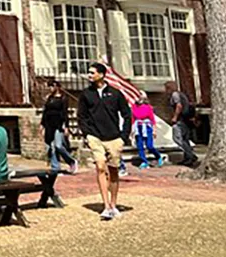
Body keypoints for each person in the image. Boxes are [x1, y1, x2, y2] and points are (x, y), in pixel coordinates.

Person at [78, 62, 132, 221]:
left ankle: (113, 204)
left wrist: (124, 136)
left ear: (101, 75)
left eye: (92, 73)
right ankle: (106, 205)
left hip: (114, 137)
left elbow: (127, 115)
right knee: (100, 167)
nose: (89, 75)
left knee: (113, 171)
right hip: (95, 137)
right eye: (89, 73)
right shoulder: (86, 94)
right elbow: (82, 116)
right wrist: (87, 134)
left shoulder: (115, 94)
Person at [39, 80, 78, 174]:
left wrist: (66, 126)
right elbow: (45, 112)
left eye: (52, 86)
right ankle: (55, 167)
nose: (50, 89)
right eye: (49, 87)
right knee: (50, 147)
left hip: (58, 124)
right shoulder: (49, 98)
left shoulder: (63, 98)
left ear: (57, 87)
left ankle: (71, 161)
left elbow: (65, 113)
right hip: (49, 124)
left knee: (58, 146)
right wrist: (42, 124)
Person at [164, 81, 199, 166]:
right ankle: (187, 157)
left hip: (180, 120)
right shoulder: (182, 95)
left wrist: (175, 117)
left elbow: (179, 106)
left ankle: (191, 156)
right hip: (186, 120)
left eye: (166, 88)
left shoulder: (175, 95)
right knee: (185, 139)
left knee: (178, 138)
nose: (165, 91)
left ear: (169, 88)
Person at [132, 94, 165, 169]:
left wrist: (154, 130)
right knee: (140, 146)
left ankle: (158, 156)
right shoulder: (134, 107)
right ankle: (144, 161)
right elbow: (133, 119)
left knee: (149, 145)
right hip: (138, 128)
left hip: (147, 127)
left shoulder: (148, 107)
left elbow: (152, 120)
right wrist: (132, 130)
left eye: (140, 96)